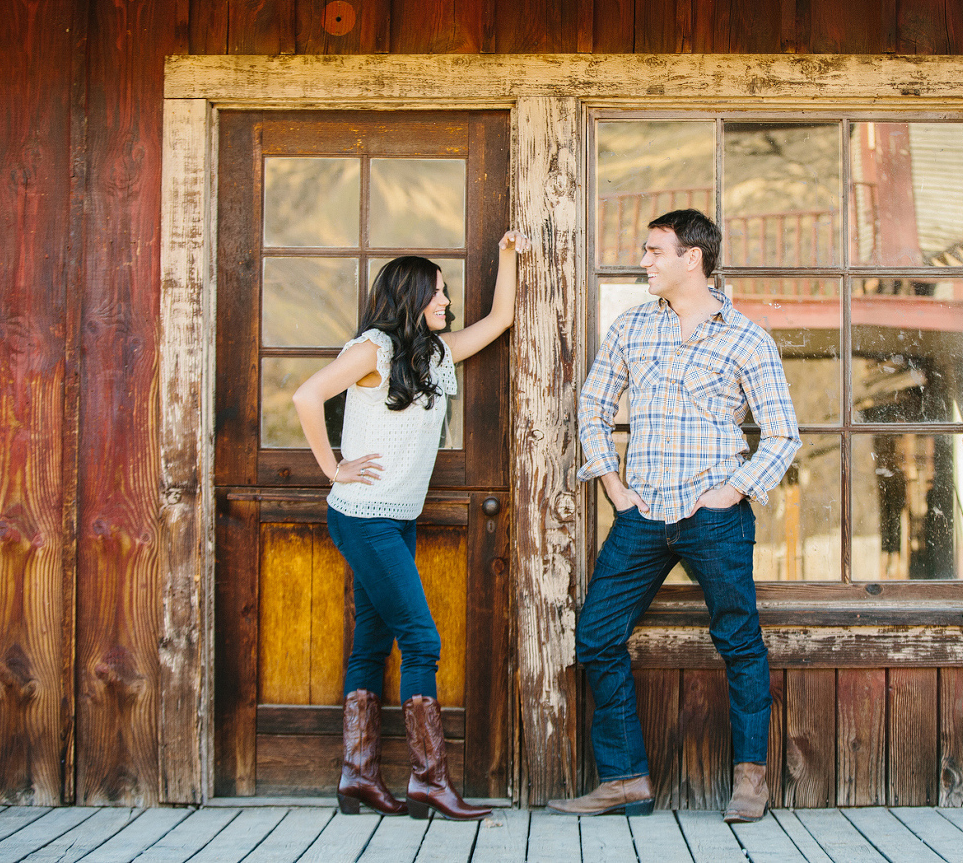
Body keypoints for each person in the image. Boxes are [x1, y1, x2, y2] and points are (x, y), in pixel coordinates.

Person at [548, 210, 801, 823]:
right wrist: (611, 481)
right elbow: (594, 403)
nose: (645, 261)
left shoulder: (746, 338)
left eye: (656, 251)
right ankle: (625, 779)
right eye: (645, 250)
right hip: (643, 512)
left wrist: (732, 492)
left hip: (714, 515)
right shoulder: (633, 326)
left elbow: (782, 435)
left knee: (738, 641)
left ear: (694, 258)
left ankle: (750, 780)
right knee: (597, 636)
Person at [293, 229, 528, 820]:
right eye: (438, 294)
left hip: (397, 520)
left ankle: (358, 778)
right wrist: (334, 467)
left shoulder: (435, 354)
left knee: (371, 641)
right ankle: (428, 781)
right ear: (411, 298)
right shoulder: (374, 349)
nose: (446, 304)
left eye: (445, 294)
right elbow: (306, 395)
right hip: (363, 517)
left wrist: (506, 256)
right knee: (422, 639)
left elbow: (500, 319)